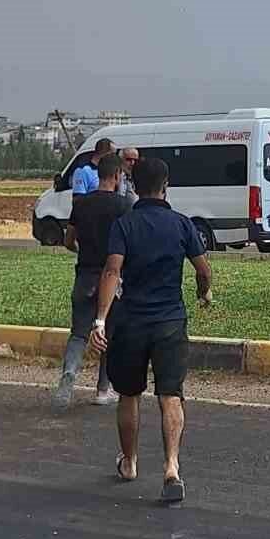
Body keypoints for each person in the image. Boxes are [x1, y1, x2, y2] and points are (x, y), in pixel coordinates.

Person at [89, 156, 212, 504]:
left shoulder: (124, 225)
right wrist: (204, 293)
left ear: (133, 185)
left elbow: (112, 272)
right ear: (166, 185)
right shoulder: (182, 224)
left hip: (130, 323)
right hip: (170, 322)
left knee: (128, 395)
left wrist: (100, 320)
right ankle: (172, 467)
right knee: (170, 395)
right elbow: (203, 269)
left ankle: (129, 462)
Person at [55, 150, 131, 409]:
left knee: (78, 333)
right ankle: (102, 390)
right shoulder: (123, 206)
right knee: (109, 333)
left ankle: (69, 375)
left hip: (84, 275)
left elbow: (68, 240)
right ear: (117, 176)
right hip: (112, 279)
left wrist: (81, 251)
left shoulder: (81, 205)